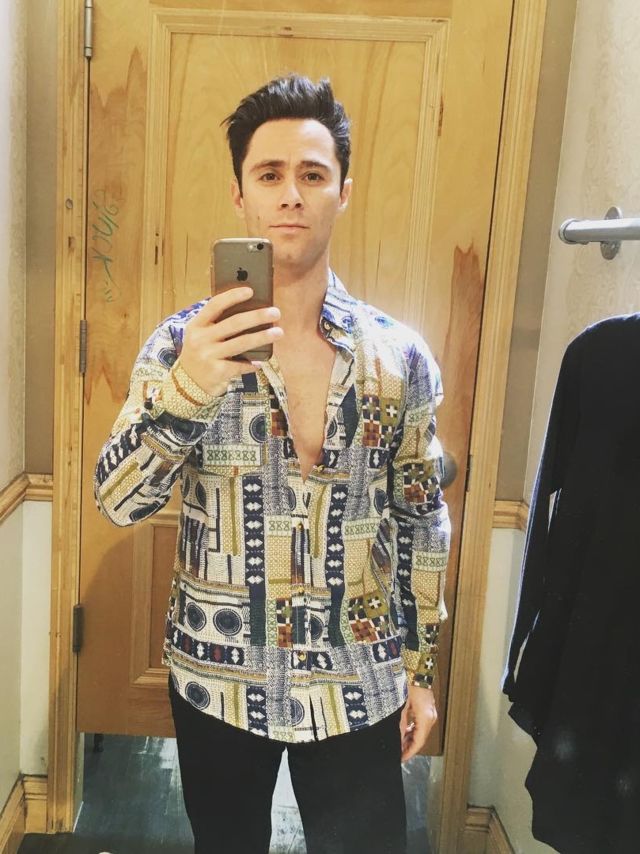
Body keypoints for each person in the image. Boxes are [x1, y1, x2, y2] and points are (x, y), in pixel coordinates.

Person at [94, 73, 451, 854]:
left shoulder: (399, 357)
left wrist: (422, 671)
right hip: (219, 679)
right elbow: (116, 500)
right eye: (269, 174)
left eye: (313, 175)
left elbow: (423, 520)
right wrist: (191, 388)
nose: (291, 194)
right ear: (240, 196)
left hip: (358, 679)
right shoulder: (181, 346)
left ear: (343, 192)